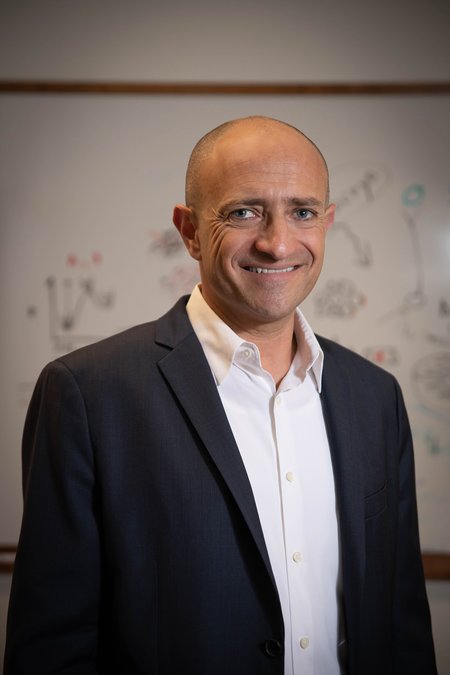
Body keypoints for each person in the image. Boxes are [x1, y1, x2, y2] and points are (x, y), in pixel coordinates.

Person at [4, 116, 437, 675]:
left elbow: (401, 625)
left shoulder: (376, 397)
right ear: (187, 230)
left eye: (302, 212)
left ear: (326, 224)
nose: (277, 241)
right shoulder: (89, 395)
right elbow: (51, 648)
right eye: (243, 212)